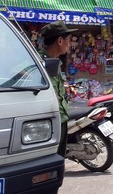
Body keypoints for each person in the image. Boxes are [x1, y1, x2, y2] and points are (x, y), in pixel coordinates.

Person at [40, 20, 77, 157]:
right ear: (60, 41)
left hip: (61, 119)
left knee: (59, 159)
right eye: (69, 40)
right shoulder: (39, 62)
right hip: (49, 122)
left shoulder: (55, 62)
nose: (70, 43)